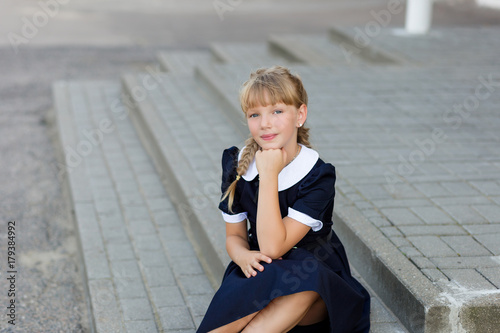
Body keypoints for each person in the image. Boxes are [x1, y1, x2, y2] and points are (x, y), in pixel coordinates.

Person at [197, 66, 370, 333]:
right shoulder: (237, 165)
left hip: (313, 274)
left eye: (277, 111)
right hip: (260, 267)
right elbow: (235, 237)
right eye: (255, 114)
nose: (265, 123)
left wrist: (269, 175)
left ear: (300, 114)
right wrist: (242, 256)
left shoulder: (317, 176)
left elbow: (273, 247)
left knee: (303, 282)